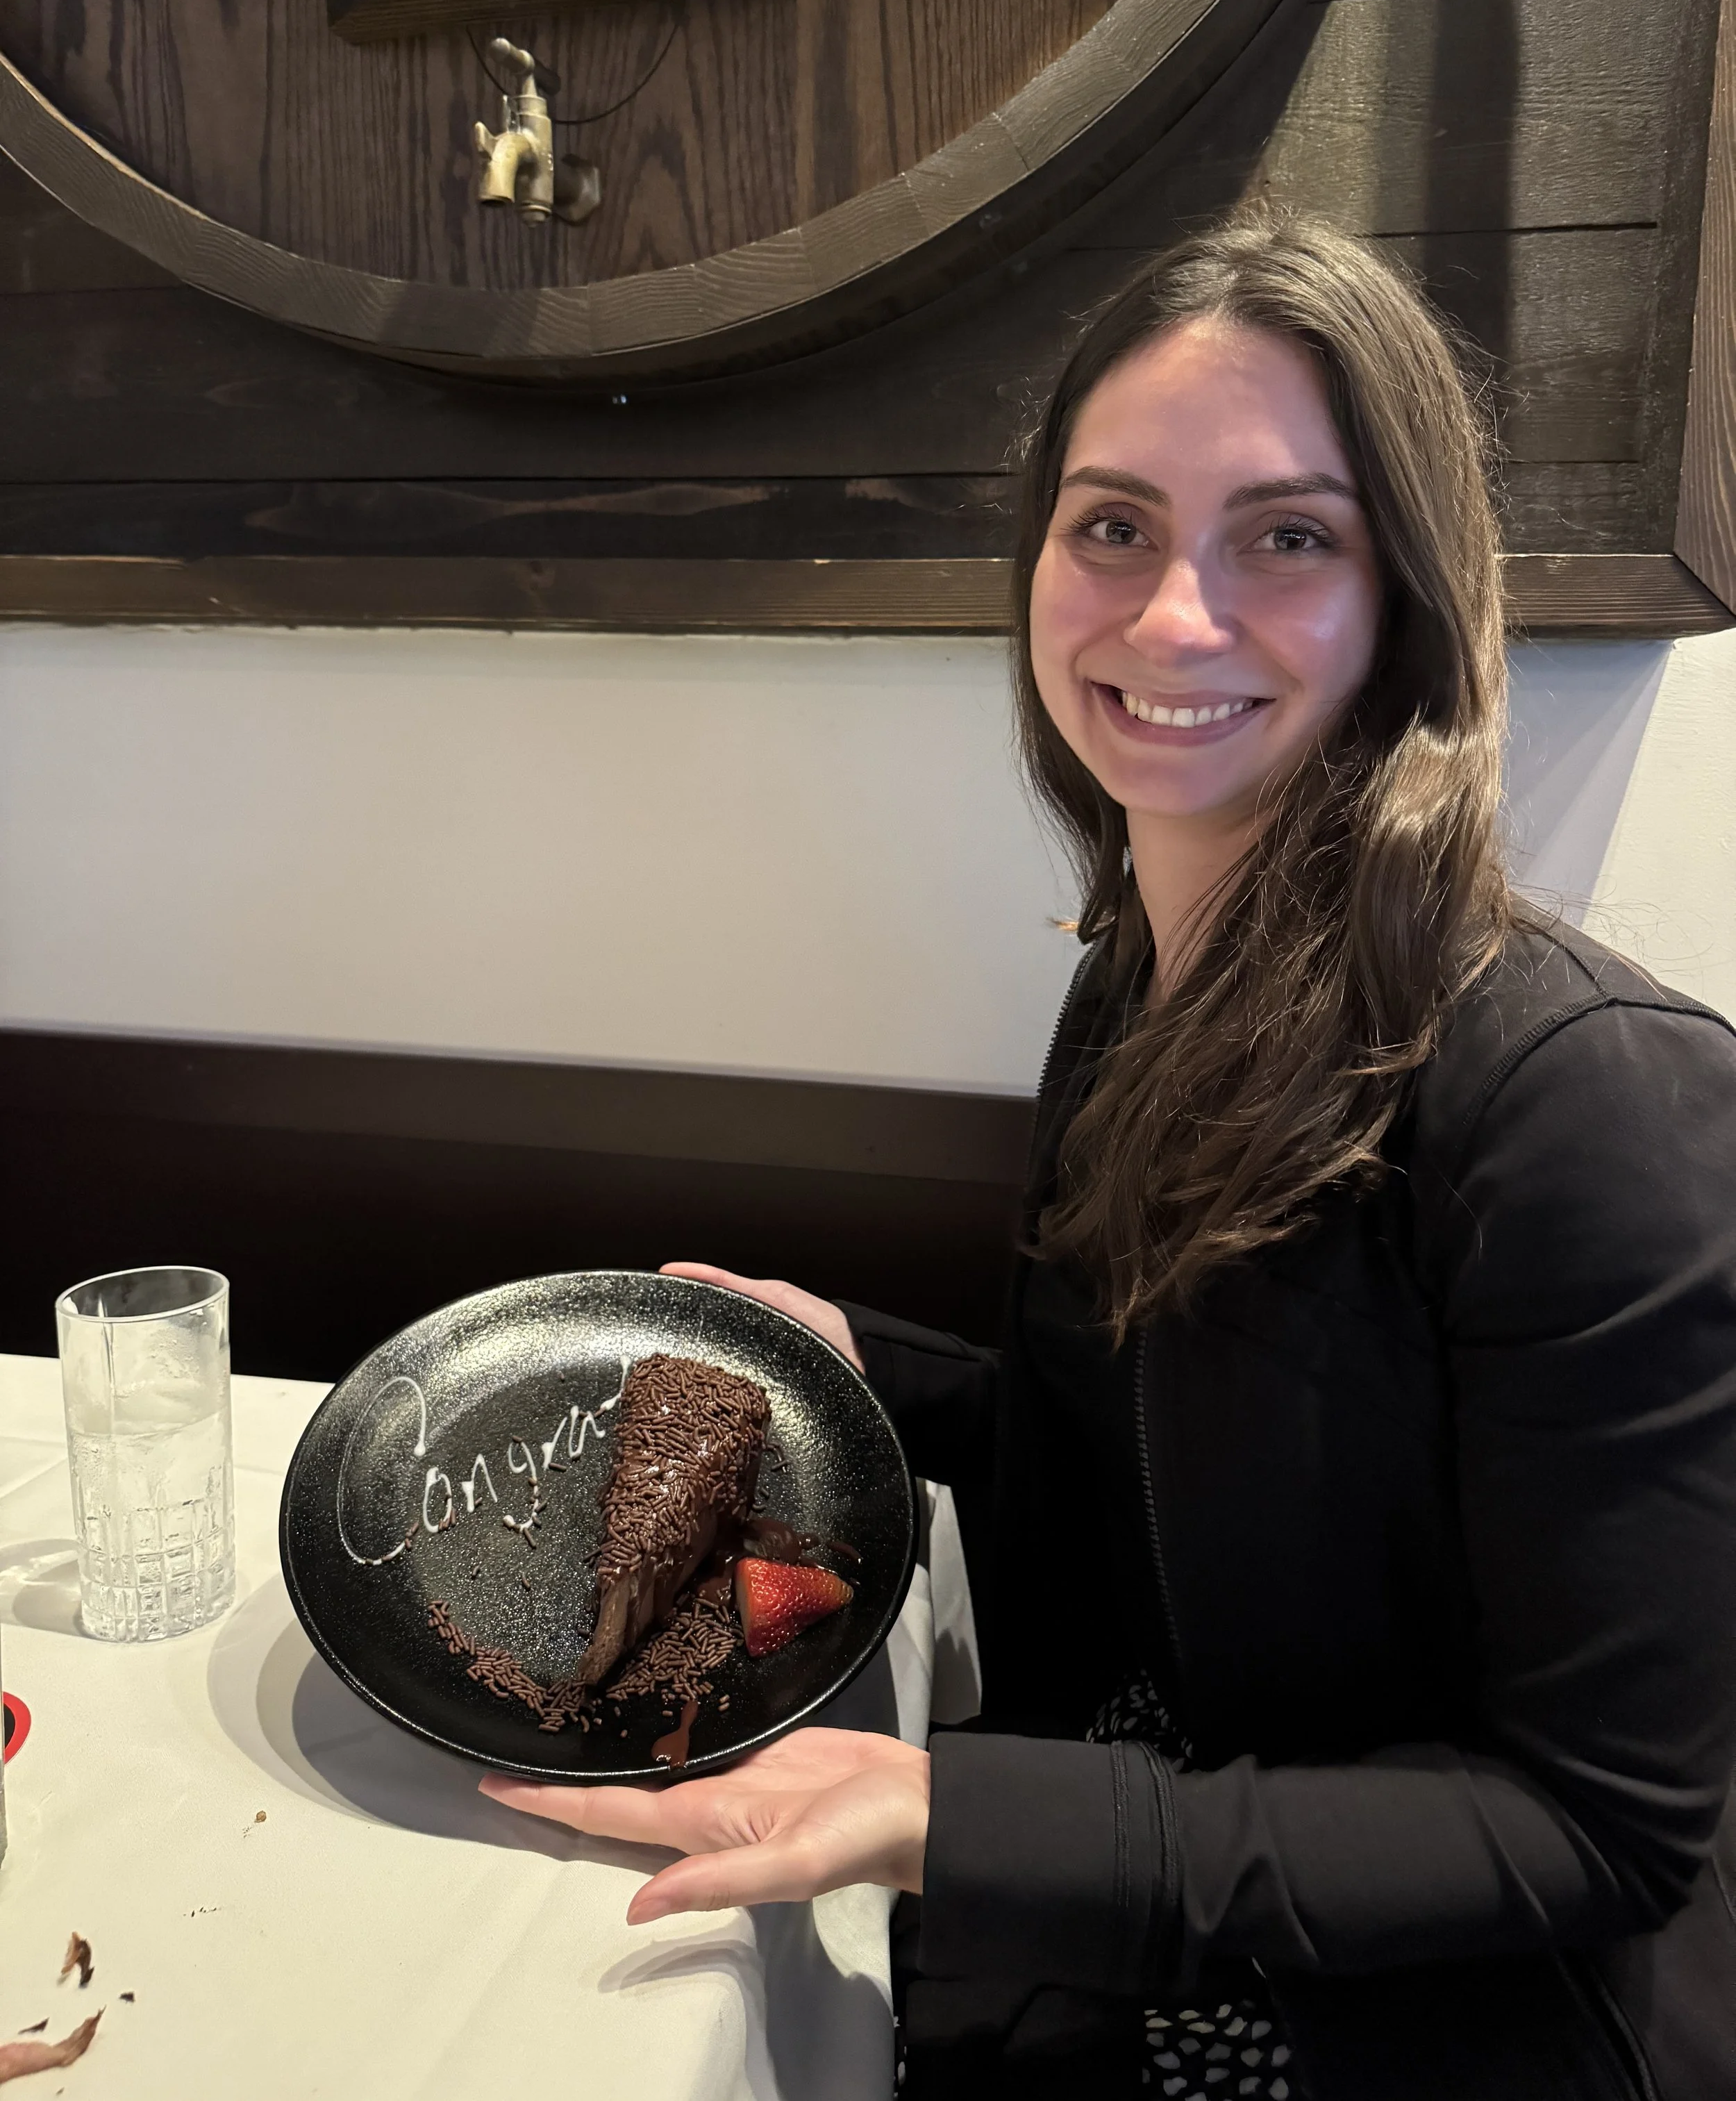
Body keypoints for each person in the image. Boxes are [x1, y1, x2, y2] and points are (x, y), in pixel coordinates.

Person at [481, 216, 1736, 2101]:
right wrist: (859, 1362)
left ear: (1405, 597)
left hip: (1416, 2019)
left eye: (1286, 537)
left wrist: (950, 1815)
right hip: (1125, 1840)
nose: (1168, 619)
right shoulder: (1137, 982)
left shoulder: (1588, 1103)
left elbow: (1594, 1827)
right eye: (1112, 526)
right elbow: (1176, 1464)